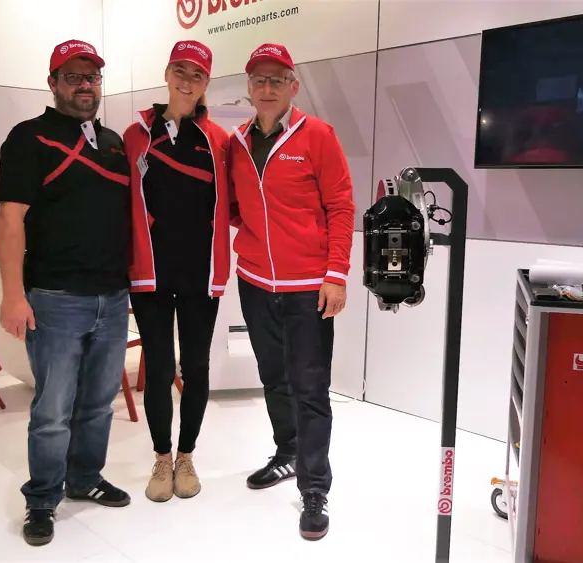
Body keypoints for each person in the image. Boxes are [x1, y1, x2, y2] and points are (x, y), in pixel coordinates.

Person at [0, 39, 133, 547]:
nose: (84, 85)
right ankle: (42, 499)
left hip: (112, 297)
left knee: (98, 403)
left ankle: (85, 478)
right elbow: (11, 219)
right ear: (53, 83)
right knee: (52, 410)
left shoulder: (114, 143)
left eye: (91, 77)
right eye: (72, 77)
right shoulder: (28, 138)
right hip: (55, 298)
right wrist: (13, 294)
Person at [227, 43, 355, 540]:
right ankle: (287, 452)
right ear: (249, 87)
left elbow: (341, 206)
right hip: (256, 282)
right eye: (259, 79)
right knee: (273, 377)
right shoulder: (237, 143)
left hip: (308, 288)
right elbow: (234, 205)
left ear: (293, 86)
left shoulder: (317, 135)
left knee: (310, 388)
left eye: (277, 79)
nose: (267, 88)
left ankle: (314, 486)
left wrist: (335, 273)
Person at [122, 40, 232, 503]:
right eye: (180, 71)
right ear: (167, 74)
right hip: (149, 271)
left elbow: (237, 202)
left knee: (197, 365)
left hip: (200, 273)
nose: (187, 82)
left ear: (206, 83)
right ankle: (162, 457)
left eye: (197, 74)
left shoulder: (219, 140)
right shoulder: (136, 135)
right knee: (160, 366)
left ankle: (187, 455)